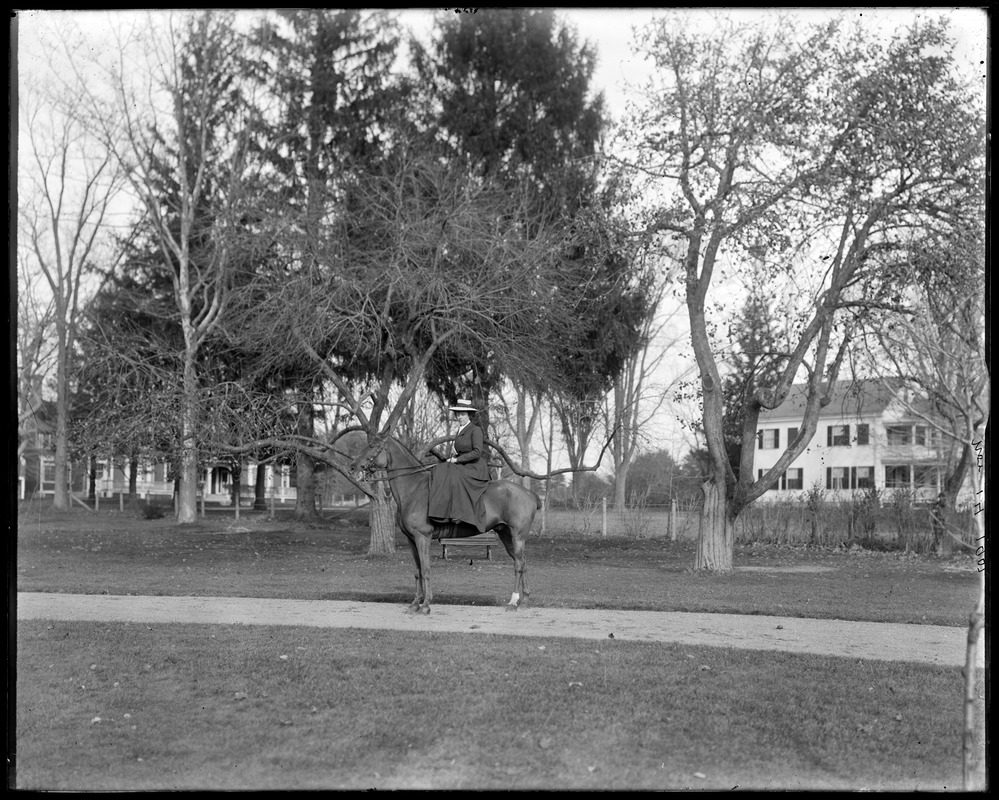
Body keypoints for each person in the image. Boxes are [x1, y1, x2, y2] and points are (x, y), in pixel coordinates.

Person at [427, 399, 491, 534]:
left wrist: (457, 460)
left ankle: (459, 514)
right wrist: (455, 454)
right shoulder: (460, 430)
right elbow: (463, 449)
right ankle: (439, 511)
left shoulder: (475, 430)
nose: (459, 417)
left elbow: (477, 452)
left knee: (452, 474)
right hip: (463, 463)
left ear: (469, 415)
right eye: (458, 414)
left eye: (462, 414)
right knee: (440, 469)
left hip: (475, 467)